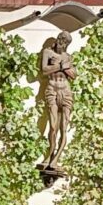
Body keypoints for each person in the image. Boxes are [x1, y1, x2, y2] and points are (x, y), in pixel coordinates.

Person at [41, 31, 76, 171]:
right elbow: (44, 70)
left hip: (66, 91)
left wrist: (64, 66)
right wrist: (61, 66)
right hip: (52, 89)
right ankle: (49, 155)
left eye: (66, 42)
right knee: (53, 126)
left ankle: (56, 159)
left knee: (63, 128)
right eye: (61, 40)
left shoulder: (68, 57)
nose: (62, 44)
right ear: (58, 39)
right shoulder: (48, 52)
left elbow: (73, 75)